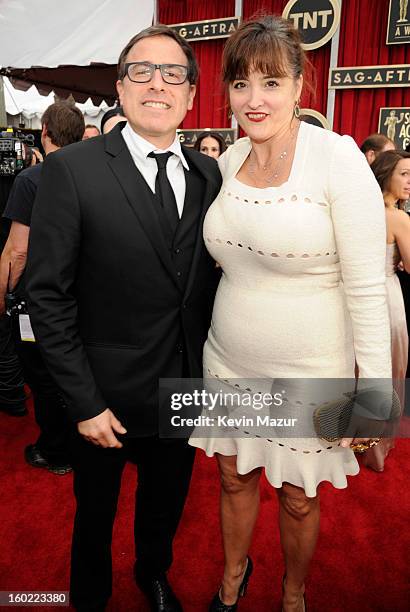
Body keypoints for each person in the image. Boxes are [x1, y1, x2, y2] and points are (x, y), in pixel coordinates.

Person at [189, 16, 391, 612]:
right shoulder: (226, 164)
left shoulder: (338, 159)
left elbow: (367, 288)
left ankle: (294, 593)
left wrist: (375, 394)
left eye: (271, 82)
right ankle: (232, 578)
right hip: (227, 358)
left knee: (300, 496)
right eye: (241, 84)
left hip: (311, 367)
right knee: (232, 476)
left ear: (300, 85)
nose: (255, 100)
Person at [25, 25, 221, 612]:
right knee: (95, 511)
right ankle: (90, 593)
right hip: (102, 392)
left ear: (191, 95)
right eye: (141, 71)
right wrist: (82, 402)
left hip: (184, 387)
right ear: (120, 86)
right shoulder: (73, 171)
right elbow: (48, 295)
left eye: (173, 74)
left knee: (165, 502)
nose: (157, 83)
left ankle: (152, 575)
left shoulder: (210, 175)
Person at [0, 101, 85, 474]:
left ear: (45, 131)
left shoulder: (30, 180)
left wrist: (3, 297)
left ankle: (55, 451)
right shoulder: (95, 173)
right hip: (85, 297)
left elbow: (18, 251)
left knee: (45, 378)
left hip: (39, 301)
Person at [363, 150, 410, 471]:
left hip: (356, 299)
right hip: (386, 299)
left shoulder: (357, 210)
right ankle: (375, 449)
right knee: (388, 372)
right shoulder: (397, 217)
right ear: (385, 175)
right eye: (404, 174)